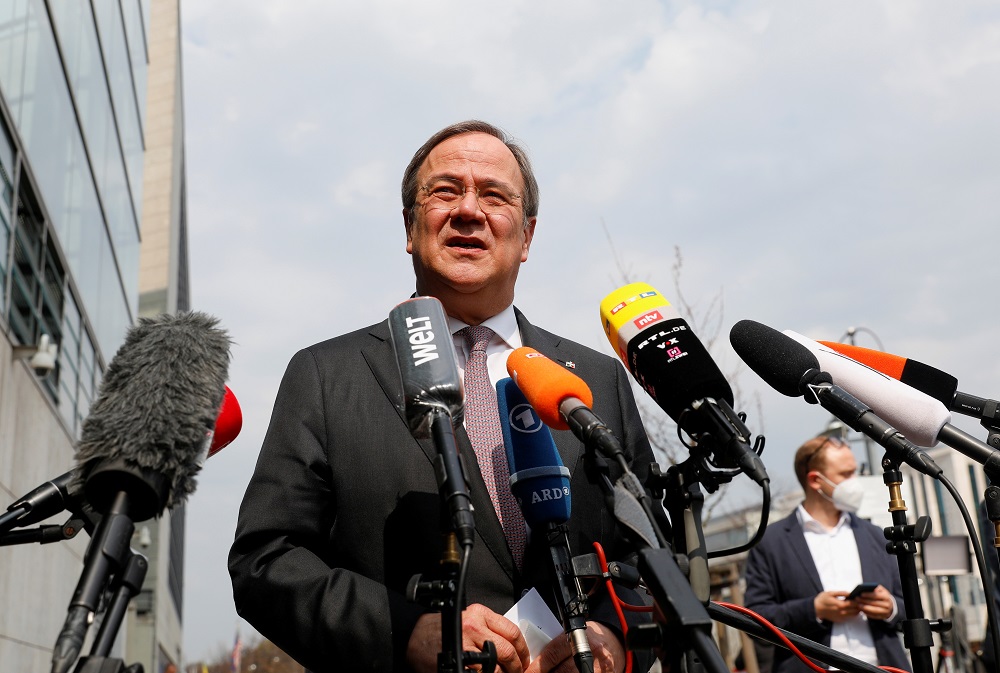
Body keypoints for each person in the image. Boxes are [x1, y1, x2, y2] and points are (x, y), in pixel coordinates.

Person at [229, 121, 657, 673]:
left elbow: (653, 558)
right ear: (411, 227)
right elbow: (266, 560)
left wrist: (613, 639)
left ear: (527, 236)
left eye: (495, 196)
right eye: (445, 191)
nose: (469, 210)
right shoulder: (326, 375)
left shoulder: (597, 380)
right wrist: (408, 633)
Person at [743, 435, 911, 673]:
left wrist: (890, 607)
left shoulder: (876, 535)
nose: (855, 482)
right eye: (846, 474)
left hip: (883, 667)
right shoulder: (770, 542)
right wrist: (813, 610)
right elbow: (754, 620)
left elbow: (911, 607)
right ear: (815, 480)